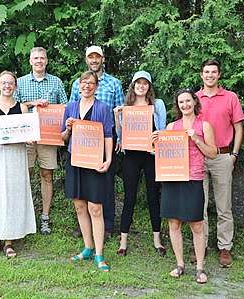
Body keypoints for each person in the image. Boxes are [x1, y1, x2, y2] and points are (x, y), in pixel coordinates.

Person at [153, 89, 217, 284]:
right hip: (172, 178)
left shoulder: (204, 125)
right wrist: (155, 142)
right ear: (177, 105)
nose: (185, 105)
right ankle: (180, 264)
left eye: (188, 101)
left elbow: (213, 153)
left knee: (196, 224)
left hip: (194, 178)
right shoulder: (172, 126)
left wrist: (195, 138)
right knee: (174, 223)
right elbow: (160, 154)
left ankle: (200, 268)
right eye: (181, 102)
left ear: (194, 102)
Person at [70, 45, 124, 237]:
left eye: (97, 57)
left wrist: (121, 136)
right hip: (81, 142)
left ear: (102, 59)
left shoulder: (114, 83)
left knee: (105, 182)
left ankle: (107, 225)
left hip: (107, 138)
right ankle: (84, 226)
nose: (94, 60)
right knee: (83, 184)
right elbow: (72, 109)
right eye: (90, 57)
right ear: (86, 60)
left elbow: (121, 111)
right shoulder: (79, 83)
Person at [61, 71, 113, 271]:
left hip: (94, 163)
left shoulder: (103, 108)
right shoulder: (71, 107)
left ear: (96, 87)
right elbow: (64, 138)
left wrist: (108, 160)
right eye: (84, 82)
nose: (87, 86)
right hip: (75, 162)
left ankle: (99, 254)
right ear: (78, 85)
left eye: (91, 83)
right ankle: (87, 247)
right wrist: (67, 128)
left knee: (95, 208)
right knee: (80, 206)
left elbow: (108, 135)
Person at [0, 71, 36, 257]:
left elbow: (28, 134)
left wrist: (30, 139)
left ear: (15, 86)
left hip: (15, 156)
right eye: (4, 83)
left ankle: (10, 240)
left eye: (11, 83)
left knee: (14, 195)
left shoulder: (22, 109)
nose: (7, 86)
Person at [195, 59, 244, 267]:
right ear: (201, 75)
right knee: (200, 204)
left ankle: (225, 247)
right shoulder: (194, 98)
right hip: (198, 157)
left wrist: (234, 155)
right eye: (206, 72)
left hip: (223, 156)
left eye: (214, 72)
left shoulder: (230, 97)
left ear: (219, 75)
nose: (210, 75)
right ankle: (202, 245)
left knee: (224, 206)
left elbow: (239, 128)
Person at [14, 47, 68, 235]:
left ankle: (45, 217)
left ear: (46, 61)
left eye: (42, 58)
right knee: (24, 174)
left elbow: (65, 107)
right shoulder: (19, 83)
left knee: (47, 175)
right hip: (26, 137)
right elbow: (12, 108)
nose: (38, 61)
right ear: (30, 61)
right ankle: (24, 216)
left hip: (48, 137)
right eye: (35, 58)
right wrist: (32, 103)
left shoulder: (56, 82)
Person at [113, 71, 166, 256]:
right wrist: (116, 116)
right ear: (133, 86)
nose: (141, 86)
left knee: (153, 197)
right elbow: (121, 136)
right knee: (130, 197)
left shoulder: (157, 105)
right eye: (138, 83)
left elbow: (162, 131)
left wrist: (156, 139)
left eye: (145, 83)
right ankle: (123, 240)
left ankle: (157, 239)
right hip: (132, 156)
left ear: (149, 86)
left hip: (151, 155)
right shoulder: (127, 106)